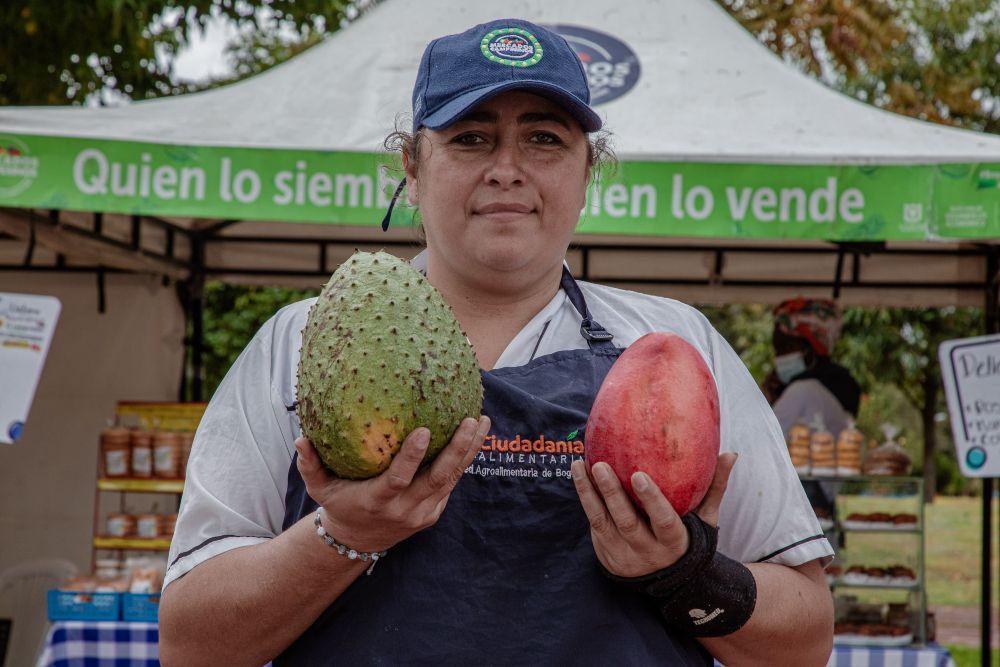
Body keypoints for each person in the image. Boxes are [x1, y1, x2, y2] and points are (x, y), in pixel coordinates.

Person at [159, 19, 834, 666]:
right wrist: (345, 536)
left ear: (586, 172)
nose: (507, 168)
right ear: (413, 169)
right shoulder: (302, 342)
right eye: (471, 138)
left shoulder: (673, 348)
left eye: (544, 139)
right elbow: (192, 644)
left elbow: (804, 641)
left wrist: (688, 574)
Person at [763, 297, 861, 438]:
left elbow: (764, 440)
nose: (780, 357)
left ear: (811, 351)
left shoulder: (803, 390)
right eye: (778, 350)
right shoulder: (841, 388)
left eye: (787, 347)